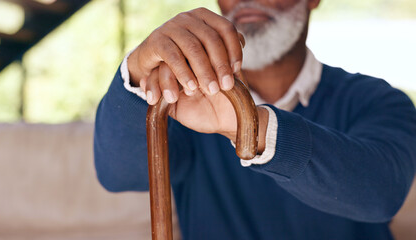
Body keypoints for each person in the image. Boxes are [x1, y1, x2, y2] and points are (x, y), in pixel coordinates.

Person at [94, 0, 416, 239]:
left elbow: (381, 192)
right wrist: (136, 73)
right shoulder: (186, 101)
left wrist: (250, 126)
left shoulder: (377, 100)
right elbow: (118, 172)